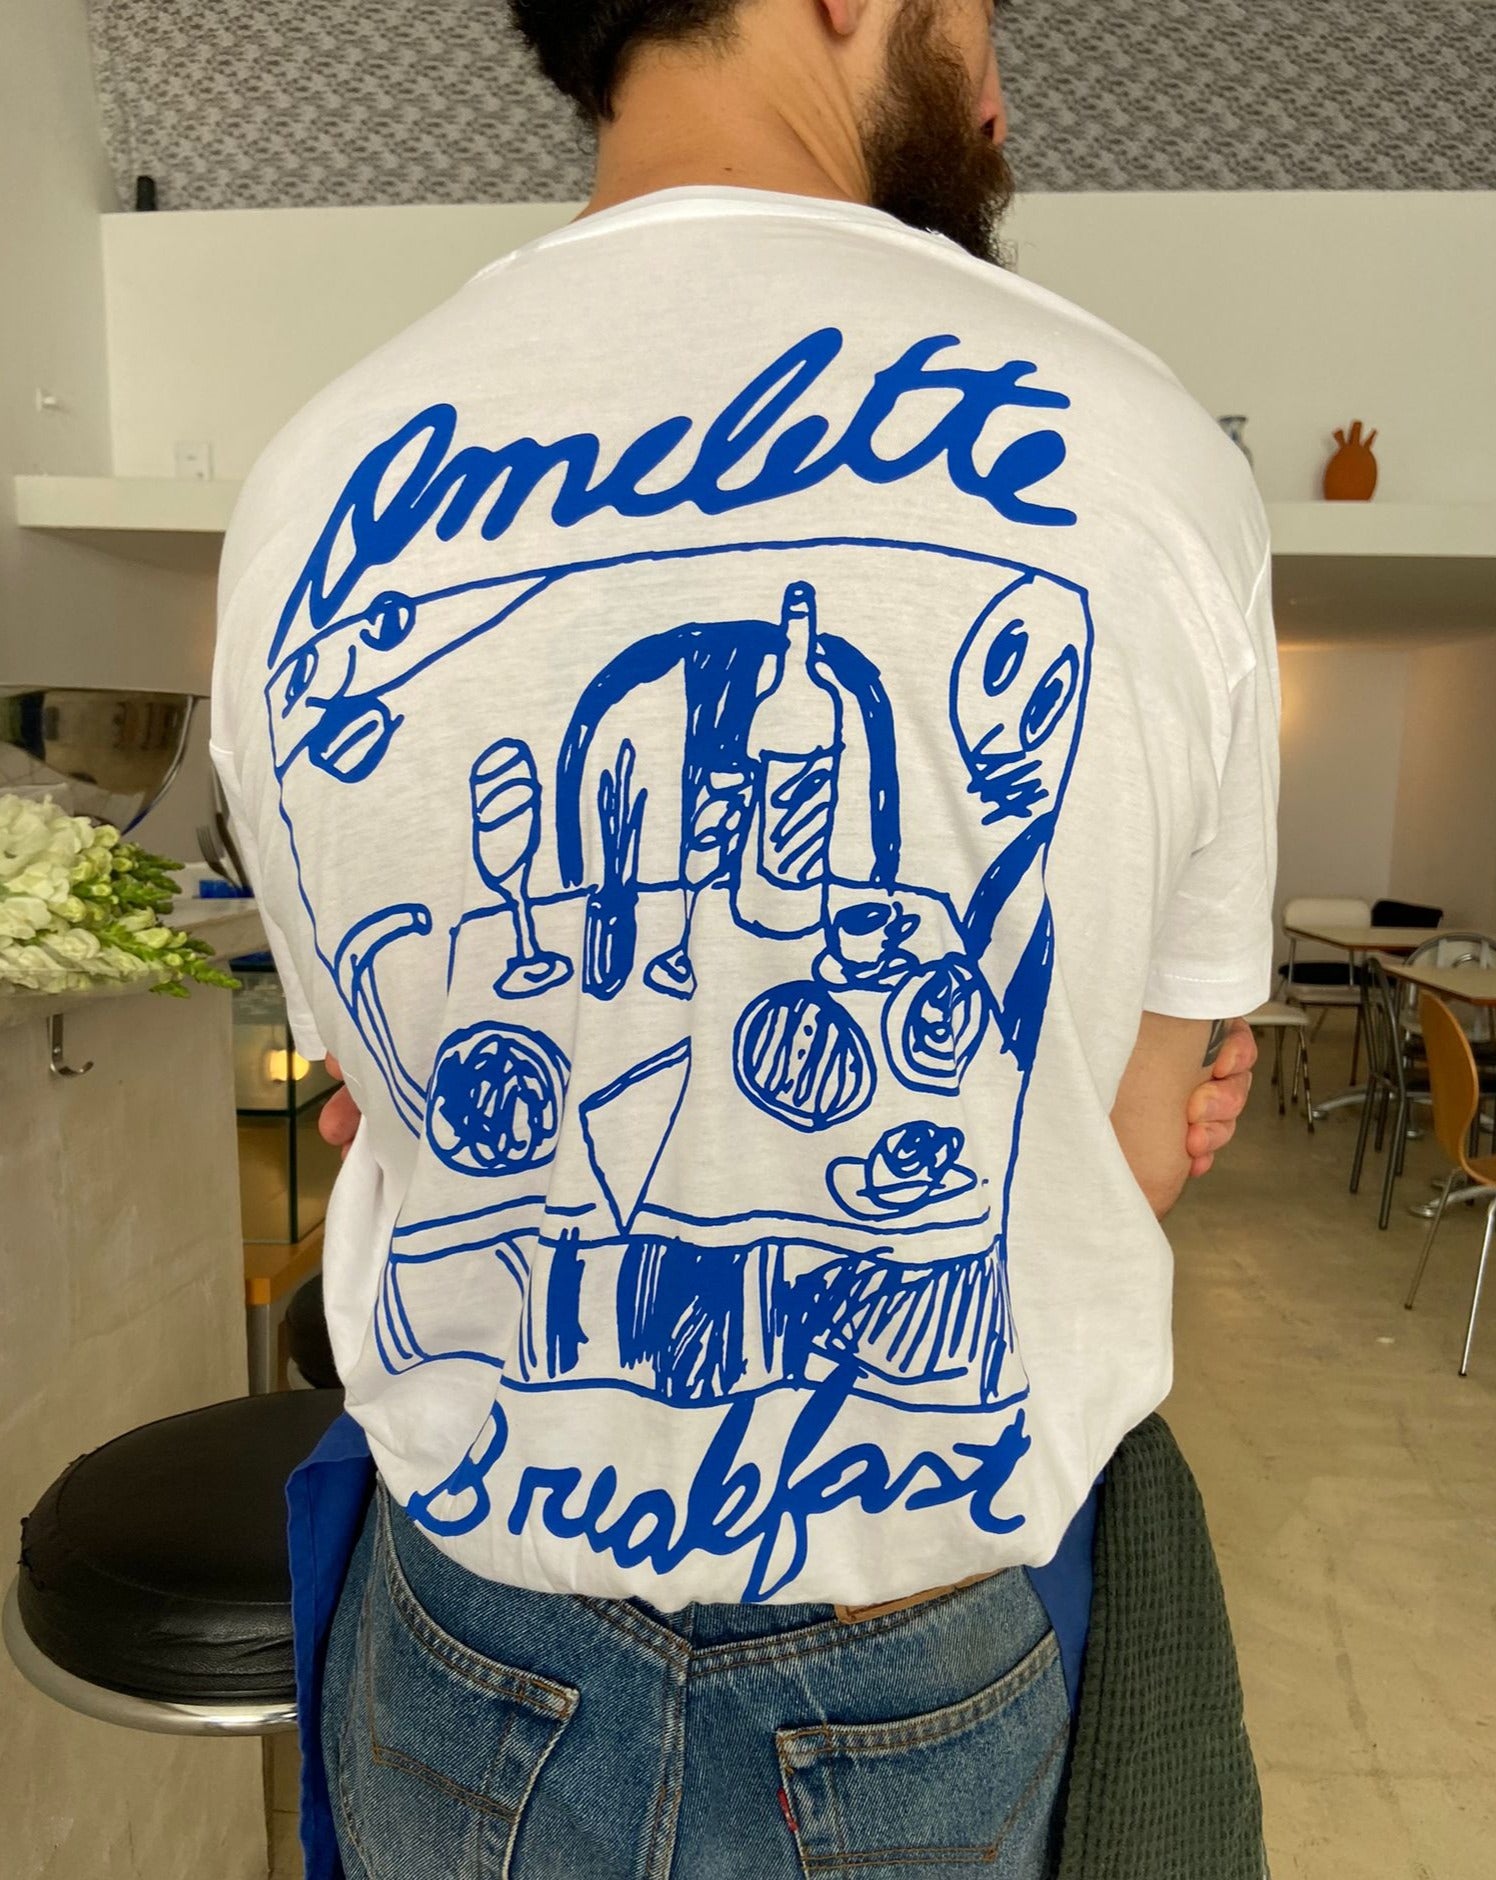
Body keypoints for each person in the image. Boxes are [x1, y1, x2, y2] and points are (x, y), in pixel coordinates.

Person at [210, 1, 1276, 1872]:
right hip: (915, 1656)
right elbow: (1128, 1150)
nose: (997, 88)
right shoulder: (1154, 457)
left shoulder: (309, 484)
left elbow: (381, 1111)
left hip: (465, 1640)